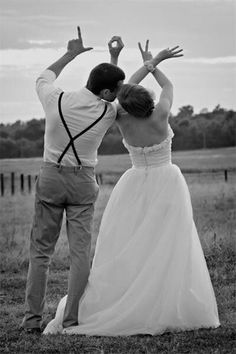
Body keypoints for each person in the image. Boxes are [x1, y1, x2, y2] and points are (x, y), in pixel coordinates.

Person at [43, 41, 220, 336]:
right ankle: (162, 298)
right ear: (149, 101)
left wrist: (143, 64)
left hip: (134, 183)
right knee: (167, 242)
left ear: (126, 103)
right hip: (167, 183)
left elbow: (125, 90)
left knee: (131, 244)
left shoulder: (120, 118)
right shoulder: (161, 113)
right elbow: (168, 85)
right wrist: (155, 64)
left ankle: (130, 294)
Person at [21, 26, 125, 333]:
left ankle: (31, 321)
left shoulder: (56, 99)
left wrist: (71, 53)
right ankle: (71, 320)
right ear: (107, 93)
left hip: (51, 177)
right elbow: (126, 90)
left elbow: (43, 77)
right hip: (83, 182)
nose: (118, 93)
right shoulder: (107, 112)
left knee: (40, 252)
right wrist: (116, 56)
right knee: (80, 255)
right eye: (114, 89)